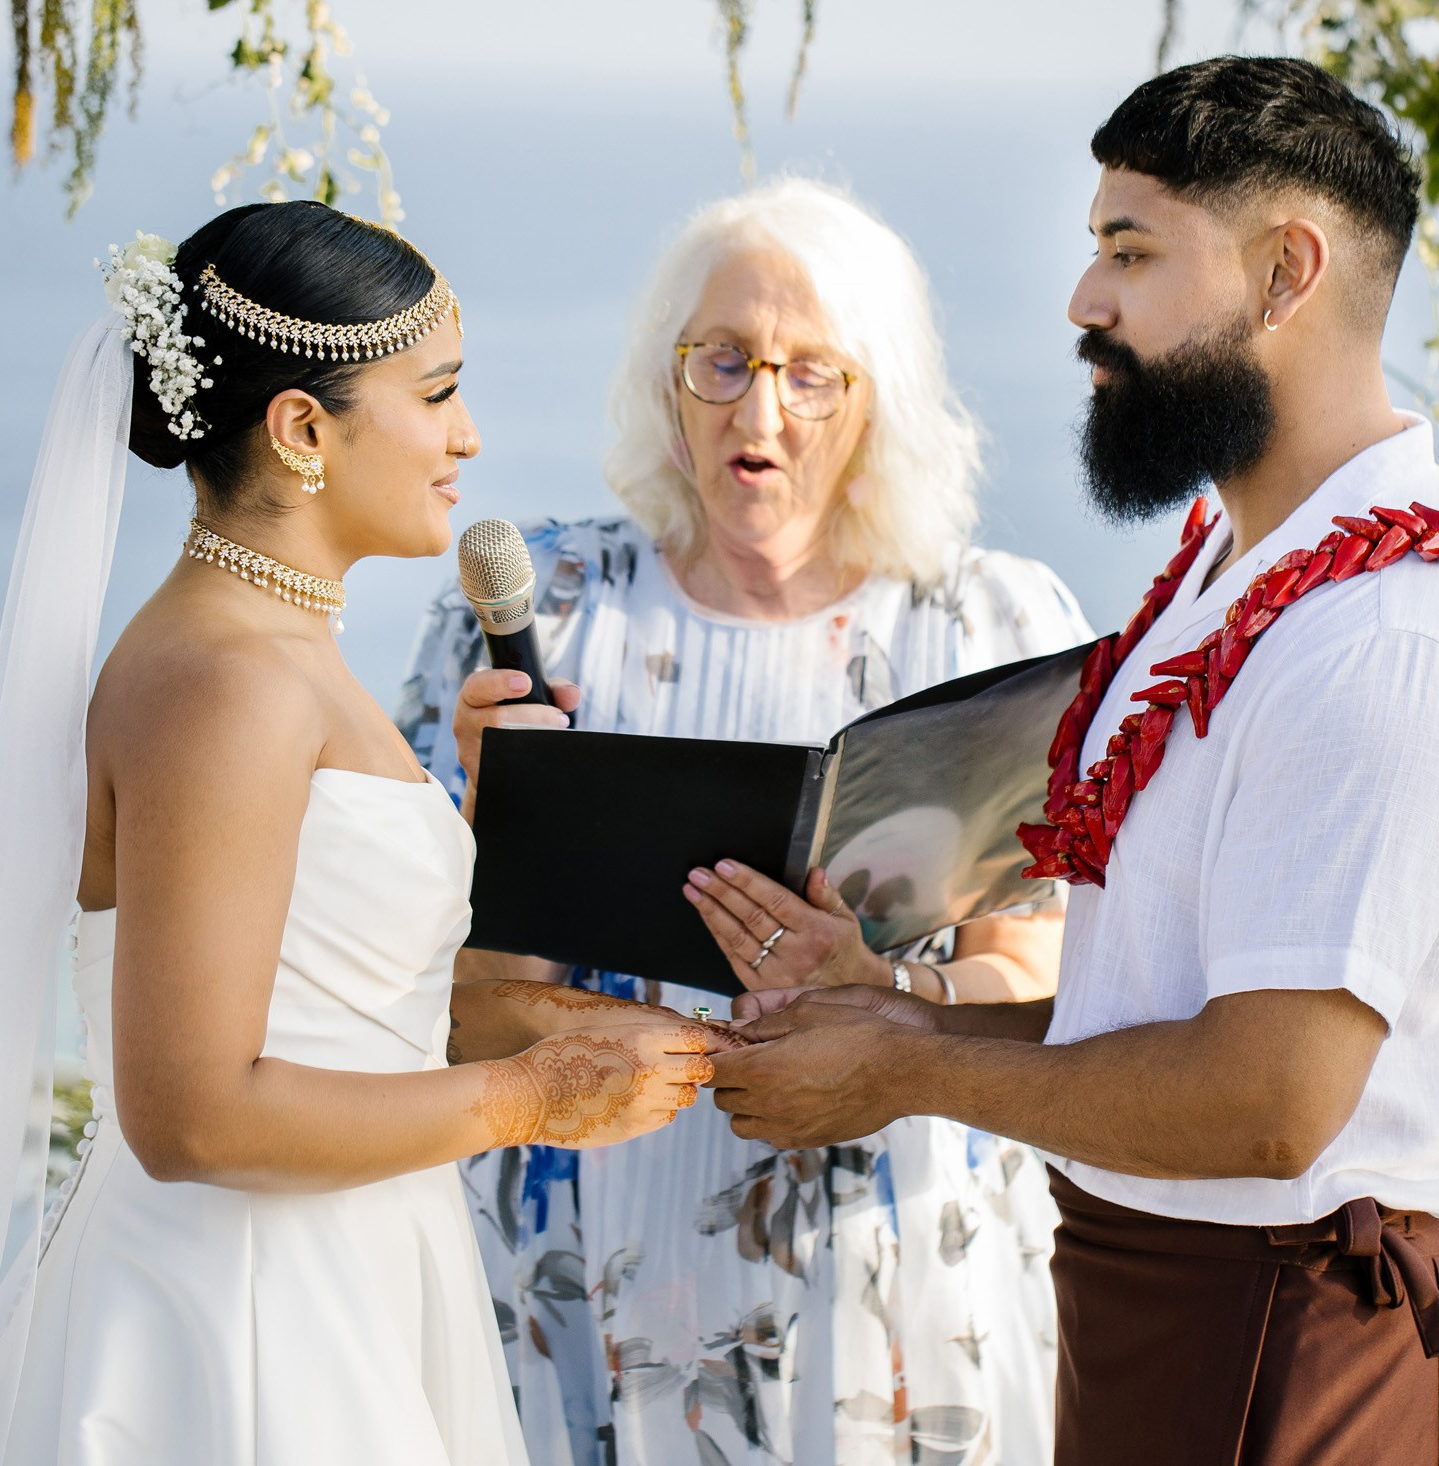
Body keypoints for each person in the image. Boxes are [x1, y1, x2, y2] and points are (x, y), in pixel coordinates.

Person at [705, 59, 1439, 1466]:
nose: (1083, 301)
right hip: (1153, 1320)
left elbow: (1265, 1101)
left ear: (1286, 272)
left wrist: (910, 1071)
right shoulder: (1234, 587)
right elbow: (1150, 1010)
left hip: (1288, 1356)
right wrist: (899, 1013)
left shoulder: (1387, 640)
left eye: (1132, 252)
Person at [0, 201, 726, 1466]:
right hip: (236, 1316)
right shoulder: (227, 682)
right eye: (437, 393)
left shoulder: (278, 656)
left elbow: (384, 1011)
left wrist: (496, 810)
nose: (467, 435)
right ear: (304, 426)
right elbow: (190, 1112)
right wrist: (532, 1097)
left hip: (349, 1268)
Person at [400, 178, 1091, 1466]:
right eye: (720, 361)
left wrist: (879, 992)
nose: (756, 411)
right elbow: (423, 1002)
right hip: (576, 1275)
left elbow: (1047, 985)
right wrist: (499, 837)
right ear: (670, 384)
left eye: (811, 373)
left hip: (884, 1294)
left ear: (878, 399)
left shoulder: (994, 626)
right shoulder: (537, 607)